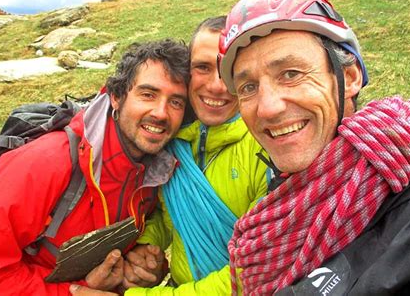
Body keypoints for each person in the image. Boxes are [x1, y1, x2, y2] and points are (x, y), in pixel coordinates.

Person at [216, 0, 410, 295]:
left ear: (350, 77)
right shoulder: (290, 197)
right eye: (248, 87)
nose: (267, 108)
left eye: (291, 74)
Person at [0, 39, 190, 295]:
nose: (161, 112)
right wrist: (74, 292)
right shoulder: (44, 164)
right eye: (148, 94)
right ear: (115, 97)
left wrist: (135, 265)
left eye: (176, 102)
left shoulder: (156, 170)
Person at [69, 16, 269, 296]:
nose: (217, 85)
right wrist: (146, 246)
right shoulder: (175, 140)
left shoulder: (267, 148)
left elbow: (257, 272)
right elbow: (168, 213)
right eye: (202, 67)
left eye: (229, 69)